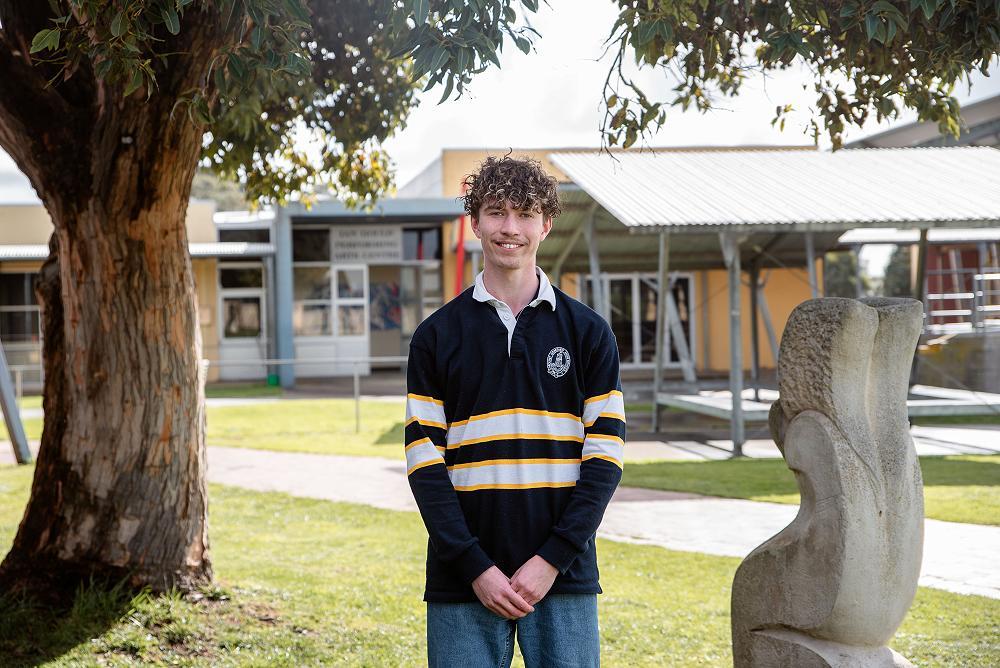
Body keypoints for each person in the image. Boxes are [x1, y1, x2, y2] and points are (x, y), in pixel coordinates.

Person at [404, 155, 625, 667]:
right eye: (497, 212)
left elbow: (605, 458)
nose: (510, 228)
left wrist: (551, 559)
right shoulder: (435, 337)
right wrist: (474, 565)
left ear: (545, 225)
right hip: (463, 582)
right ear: (474, 221)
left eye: (525, 214)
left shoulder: (589, 332)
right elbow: (424, 464)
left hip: (562, 579)